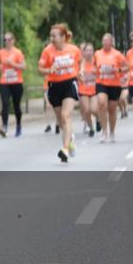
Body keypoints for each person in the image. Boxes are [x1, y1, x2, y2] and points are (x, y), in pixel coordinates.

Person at [38, 23, 81, 163]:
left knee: (65, 115)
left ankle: (65, 149)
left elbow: (80, 63)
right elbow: (40, 69)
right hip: (54, 86)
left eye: (54, 35)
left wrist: (80, 72)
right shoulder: (47, 51)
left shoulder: (73, 50)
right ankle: (70, 139)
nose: (51, 38)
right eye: (50, 35)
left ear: (63, 37)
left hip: (69, 84)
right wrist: (49, 70)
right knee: (61, 121)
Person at [94, 33, 127, 143]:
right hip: (101, 83)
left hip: (114, 84)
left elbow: (127, 66)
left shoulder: (117, 54)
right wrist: (95, 71)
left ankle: (112, 132)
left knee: (112, 109)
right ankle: (104, 131)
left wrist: (118, 70)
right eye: (103, 40)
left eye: (107, 40)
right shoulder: (98, 53)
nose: (105, 42)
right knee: (101, 102)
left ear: (111, 42)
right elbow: (93, 66)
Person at [0, 33, 25, 138]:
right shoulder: (0, 53)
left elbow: (23, 66)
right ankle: (5, 127)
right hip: (4, 82)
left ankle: (18, 125)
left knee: (16, 105)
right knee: (5, 103)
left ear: (13, 40)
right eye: (5, 40)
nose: (7, 41)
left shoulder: (18, 52)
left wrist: (13, 64)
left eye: (9, 39)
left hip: (16, 82)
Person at [78, 43, 98, 137]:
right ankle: (91, 128)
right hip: (83, 90)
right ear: (84, 52)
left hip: (94, 90)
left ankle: (98, 119)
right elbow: (77, 74)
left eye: (91, 50)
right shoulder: (80, 62)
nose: (89, 53)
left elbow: (101, 72)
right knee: (86, 110)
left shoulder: (96, 61)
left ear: (93, 52)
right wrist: (80, 76)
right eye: (87, 50)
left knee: (93, 109)